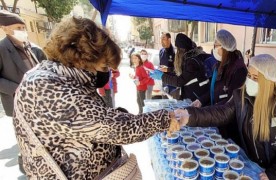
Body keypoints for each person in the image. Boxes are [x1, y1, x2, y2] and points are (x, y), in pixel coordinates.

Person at [13, 17, 180, 179]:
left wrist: (119, 114)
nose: (106, 72)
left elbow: (89, 119)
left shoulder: (66, 78)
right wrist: (165, 119)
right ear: (82, 57)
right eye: (104, 66)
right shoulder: (45, 86)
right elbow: (109, 127)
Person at [175, 54, 276, 180]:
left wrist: (273, 174)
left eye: (255, 78)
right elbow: (220, 113)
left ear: (267, 82)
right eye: (249, 76)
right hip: (257, 168)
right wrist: (189, 116)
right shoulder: (241, 96)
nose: (250, 81)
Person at [191, 29, 247, 143]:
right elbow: (213, 89)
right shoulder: (220, 64)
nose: (214, 48)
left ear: (225, 47)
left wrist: (206, 112)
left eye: (216, 45)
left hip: (229, 124)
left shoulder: (238, 70)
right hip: (217, 116)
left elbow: (232, 102)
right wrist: (201, 101)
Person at [0, 10, 46, 117]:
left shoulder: (33, 48)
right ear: (5, 28)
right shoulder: (1, 49)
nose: (22, 31)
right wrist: (18, 89)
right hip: (18, 103)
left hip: (40, 101)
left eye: (23, 27)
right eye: (18, 28)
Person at [150, 33, 211, 101]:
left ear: (182, 49)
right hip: (192, 95)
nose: (176, 52)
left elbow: (179, 81)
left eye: (177, 49)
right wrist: (167, 69)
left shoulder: (191, 62)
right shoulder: (188, 59)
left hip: (197, 97)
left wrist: (162, 76)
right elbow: (182, 70)